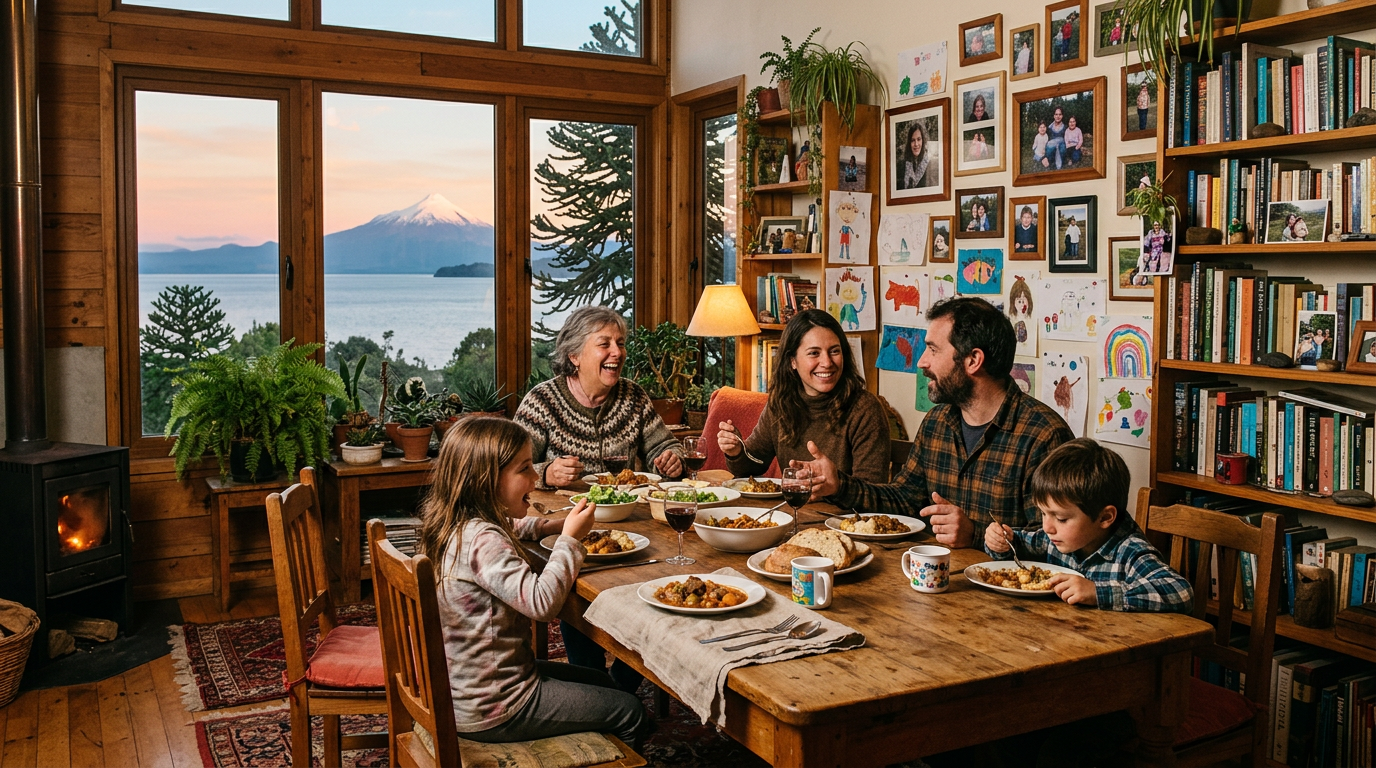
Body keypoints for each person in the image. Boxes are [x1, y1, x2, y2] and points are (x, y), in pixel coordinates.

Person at [418, 417, 653, 748]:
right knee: (629, 710)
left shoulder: (458, 524)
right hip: (497, 704)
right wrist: (570, 539)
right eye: (524, 468)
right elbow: (542, 604)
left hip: (467, 687)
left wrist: (551, 525)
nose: (534, 477)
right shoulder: (483, 540)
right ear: (487, 479)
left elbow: (512, 527)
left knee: (602, 681)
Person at [790, 297, 1074, 548]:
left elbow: (1061, 544)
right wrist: (839, 485)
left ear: (973, 360)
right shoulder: (937, 422)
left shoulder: (1045, 437)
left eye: (933, 350)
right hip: (935, 585)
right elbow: (903, 500)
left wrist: (975, 535)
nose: (922, 362)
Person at [984, 438, 1193, 612]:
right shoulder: (1053, 538)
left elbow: (1180, 592)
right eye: (1043, 513)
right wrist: (1001, 542)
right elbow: (1018, 545)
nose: (1047, 527)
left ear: (1104, 518)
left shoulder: (1130, 552)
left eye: (1062, 519)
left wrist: (1097, 592)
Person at [514, 305, 685, 489]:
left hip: (623, 514)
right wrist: (546, 474)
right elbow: (508, 468)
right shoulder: (541, 402)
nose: (617, 353)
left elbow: (663, 446)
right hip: (561, 514)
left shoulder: (634, 396)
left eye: (620, 343)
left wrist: (672, 460)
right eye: (604, 344)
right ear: (574, 356)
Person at [717, 310, 889, 482]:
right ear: (792, 360)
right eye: (814, 353)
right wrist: (737, 452)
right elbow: (754, 464)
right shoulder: (781, 402)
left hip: (843, 510)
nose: (827, 363)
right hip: (794, 507)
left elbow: (872, 490)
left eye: (834, 351)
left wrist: (835, 484)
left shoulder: (865, 409)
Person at [900, 122, 932, 190]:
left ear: (923, 141)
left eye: (919, 139)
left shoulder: (929, 164)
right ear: (909, 143)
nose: (916, 144)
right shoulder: (902, 165)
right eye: (913, 140)